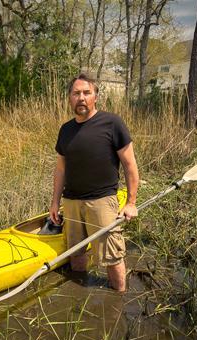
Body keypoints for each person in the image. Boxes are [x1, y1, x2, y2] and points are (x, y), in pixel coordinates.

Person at [49, 72, 139, 292]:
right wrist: (54, 203)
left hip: (102, 202)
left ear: (95, 96)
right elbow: (60, 169)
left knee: (112, 256)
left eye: (86, 93)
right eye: (76, 93)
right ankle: (79, 294)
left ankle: (118, 299)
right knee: (76, 254)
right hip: (71, 203)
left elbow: (130, 166)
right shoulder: (66, 130)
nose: (81, 97)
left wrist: (131, 202)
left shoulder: (112, 123)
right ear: (70, 98)